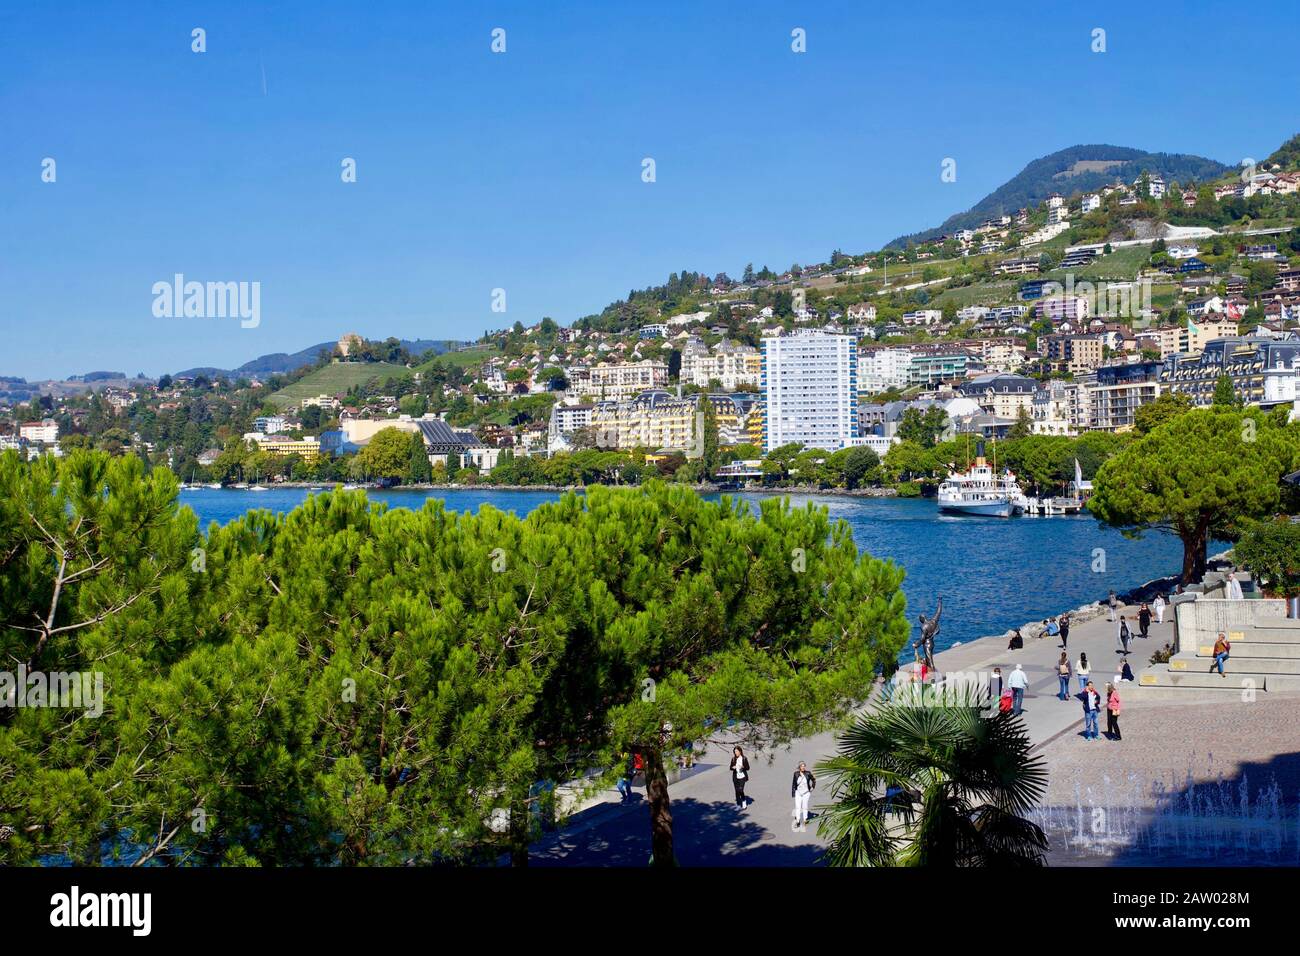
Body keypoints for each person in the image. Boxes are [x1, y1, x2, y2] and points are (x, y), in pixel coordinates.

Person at [791, 761, 816, 829]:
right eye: (802, 766)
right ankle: (798, 821)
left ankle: (805, 820)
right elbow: (794, 784)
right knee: (798, 807)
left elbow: (814, 780)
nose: (803, 767)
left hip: (806, 793)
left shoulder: (808, 773)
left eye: (804, 766)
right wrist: (793, 793)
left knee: (804, 806)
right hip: (798, 793)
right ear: (799, 767)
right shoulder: (796, 774)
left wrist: (812, 787)